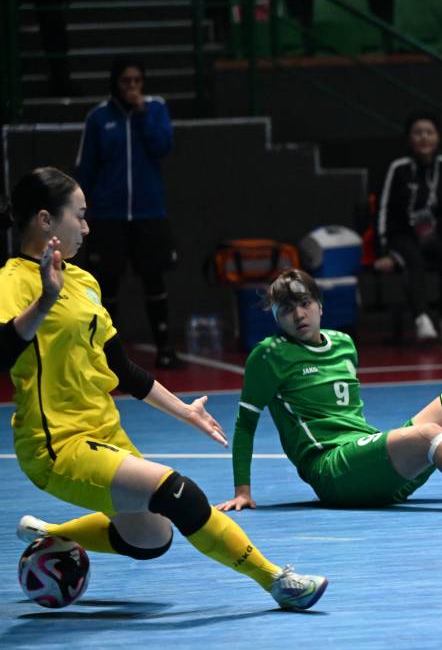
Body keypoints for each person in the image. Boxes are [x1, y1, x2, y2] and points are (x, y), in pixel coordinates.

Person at [0, 168, 327, 609]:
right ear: (45, 220)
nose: (86, 227)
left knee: (152, 537)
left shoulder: (82, 282)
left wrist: (184, 411)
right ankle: (277, 581)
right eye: (79, 215)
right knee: (178, 493)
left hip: (104, 432)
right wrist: (44, 302)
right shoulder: (13, 281)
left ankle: (49, 535)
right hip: (57, 444)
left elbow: (121, 368)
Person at [216, 268, 442, 511]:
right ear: (275, 316)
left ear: (320, 305)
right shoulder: (269, 356)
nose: (298, 314)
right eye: (286, 309)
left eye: (304, 303)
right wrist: (243, 491)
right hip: (332, 470)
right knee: (427, 435)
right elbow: (246, 424)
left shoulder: (343, 343)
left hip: (370, 463)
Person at [75, 57, 183, 368]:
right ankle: (104, 354)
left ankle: (164, 349)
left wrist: (143, 115)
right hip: (109, 215)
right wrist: (82, 212)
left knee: (154, 280)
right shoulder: (98, 117)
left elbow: (162, 147)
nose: (132, 87)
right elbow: (85, 167)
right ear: (116, 83)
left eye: (137, 80)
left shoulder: (156, 109)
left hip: (149, 212)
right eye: (126, 81)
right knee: (106, 283)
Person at [374, 113, 442, 344]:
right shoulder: (398, 168)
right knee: (412, 258)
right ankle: (421, 318)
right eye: (418, 132)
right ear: (409, 138)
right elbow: (383, 209)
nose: (424, 137)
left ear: (438, 137)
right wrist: (383, 252)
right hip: (404, 235)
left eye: (429, 132)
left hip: (437, 235)